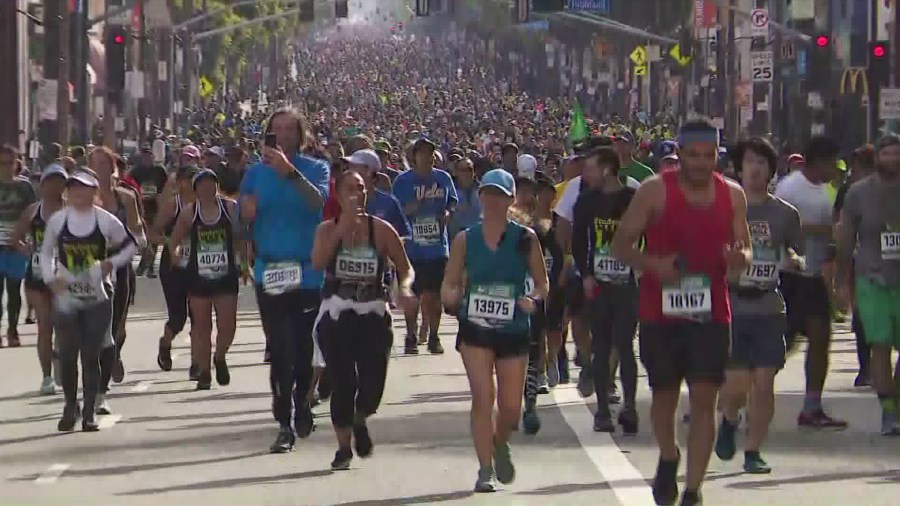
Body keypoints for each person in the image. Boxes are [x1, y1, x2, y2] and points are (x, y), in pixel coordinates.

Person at [611, 120, 751, 506]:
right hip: (660, 312)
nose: (702, 164)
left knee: (705, 400)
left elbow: (745, 248)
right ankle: (669, 456)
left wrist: (740, 258)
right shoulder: (655, 191)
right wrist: (654, 265)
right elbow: (620, 245)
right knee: (664, 396)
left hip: (711, 313)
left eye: (710, 156)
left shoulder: (733, 195)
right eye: (693, 155)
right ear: (680, 153)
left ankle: (693, 490)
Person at [441, 169, 549, 493]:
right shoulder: (465, 238)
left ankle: (500, 443)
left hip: (514, 327)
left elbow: (543, 284)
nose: (492, 199)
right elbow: (449, 282)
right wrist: (451, 295)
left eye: (500, 194)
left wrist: (532, 299)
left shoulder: (525, 238)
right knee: (482, 397)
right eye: (487, 193)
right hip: (475, 327)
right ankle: (485, 468)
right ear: (480, 196)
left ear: (510, 199)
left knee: (511, 407)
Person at [310, 170, 415, 470]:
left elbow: (405, 268)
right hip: (337, 312)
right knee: (343, 382)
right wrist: (341, 230)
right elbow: (318, 263)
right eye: (351, 188)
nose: (358, 193)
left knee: (372, 385)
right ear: (338, 195)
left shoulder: (381, 230)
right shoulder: (326, 230)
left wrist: (404, 289)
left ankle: (361, 416)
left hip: (372, 312)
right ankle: (343, 447)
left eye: (362, 188)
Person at [239, 108, 330, 453]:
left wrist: (289, 173)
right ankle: (283, 421)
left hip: (306, 272)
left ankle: (303, 401)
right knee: (279, 348)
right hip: (270, 270)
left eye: (289, 130)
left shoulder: (315, 168)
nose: (282, 135)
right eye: (276, 129)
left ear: (300, 135)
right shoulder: (254, 175)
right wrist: (245, 219)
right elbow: (242, 225)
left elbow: (317, 202)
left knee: (304, 348)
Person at [714, 138, 804, 473]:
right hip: (732, 304)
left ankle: (753, 451)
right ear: (738, 169)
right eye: (749, 162)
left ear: (772, 169)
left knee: (765, 381)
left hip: (769, 305)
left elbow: (794, 251)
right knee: (737, 383)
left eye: (762, 163)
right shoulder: (724, 209)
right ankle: (729, 418)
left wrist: (794, 260)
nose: (755, 169)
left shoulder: (785, 214)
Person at [40, 170, 137, 431]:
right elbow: (46, 251)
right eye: (74, 189)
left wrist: (111, 263)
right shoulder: (59, 220)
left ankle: (90, 411)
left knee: (91, 355)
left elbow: (131, 245)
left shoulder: (105, 221)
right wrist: (51, 278)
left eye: (85, 189)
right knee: (69, 355)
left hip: (97, 297)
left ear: (95, 193)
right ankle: (70, 406)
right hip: (66, 298)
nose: (79, 194)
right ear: (67, 193)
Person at [775, 136, 848, 428]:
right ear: (819, 161)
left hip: (814, 275)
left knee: (821, 339)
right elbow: (778, 226)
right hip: (788, 275)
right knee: (780, 346)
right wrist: (825, 229)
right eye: (832, 162)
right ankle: (736, 396)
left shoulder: (826, 191)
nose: (835, 168)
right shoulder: (790, 187)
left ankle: (812, 406)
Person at [835, 134, 900, 436]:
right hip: (872, 277)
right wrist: (840, 281)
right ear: (877, 159)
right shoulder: (858, 193)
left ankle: (896, 402)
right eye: (886, 154)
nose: (892, 159)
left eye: (896, 154)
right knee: (880, 346)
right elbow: (847, 237)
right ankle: (888, 410)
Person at [573, 147, 639, 434]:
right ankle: (602, 410)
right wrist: (586, 275)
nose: (586, 174)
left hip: (628, 283)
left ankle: (630, 407)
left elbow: (646, 237)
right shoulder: (586, 202)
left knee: (625, 344)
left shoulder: (632, 200)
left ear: (608, 169)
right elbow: (578, 242)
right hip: (598, 283)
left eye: (591, 168)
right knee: (600, 345)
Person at [168, 169, 245, 390]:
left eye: (211, 184)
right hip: (198, 276)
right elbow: (174, 240)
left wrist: (245, 263)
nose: (206, 189)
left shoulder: (229, 208)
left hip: (225, 275)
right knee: (202, 327)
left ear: (216, 186)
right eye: (201, 185)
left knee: (227, 324)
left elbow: (240, 237)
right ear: (195, 189)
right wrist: (174, 256)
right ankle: (204, 372)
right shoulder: (190, 213)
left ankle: (219, 357)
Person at [392, 138, 458, 354]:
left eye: (430, 153)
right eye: (422, 153)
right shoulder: (403, 181)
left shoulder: (443, 178)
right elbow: (397, 209)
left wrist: (447, 213)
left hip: (438, 246)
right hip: (412, 248)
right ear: (414, 156)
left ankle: (434, 336)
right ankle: (410, 335)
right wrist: (414, 206)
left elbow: (452, 202)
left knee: (434, 295)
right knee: (413, 295)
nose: (427, 158)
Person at [92, 147, 145, 414]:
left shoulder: (125, 198)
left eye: (103, 164)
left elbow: (138, 231)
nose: (99, 169)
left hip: (120, 269)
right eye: (94, 164)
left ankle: (101, 393)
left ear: (113, 167)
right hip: (90, 271)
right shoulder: (81, 199)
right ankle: (92, 384)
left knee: (113, 331)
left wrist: (135, 241)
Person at [12, 164, 68, 393]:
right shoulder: (33, 211)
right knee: (44, 326)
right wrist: (26, 249)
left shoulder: (71, 210)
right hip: (37, 275)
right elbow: (16, 238)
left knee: (63, 327)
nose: (55, 186)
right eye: (51, 181)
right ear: (43, 184)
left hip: (64, 275)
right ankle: (46, 377)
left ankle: (60, 361)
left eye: (60, 181)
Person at [150, 165, 198, 374]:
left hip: (198, 265)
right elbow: (152, 233)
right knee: (178, 318)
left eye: (195, 178)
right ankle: (165, 343)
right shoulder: (173, 206)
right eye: (188, 179)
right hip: (174, 266)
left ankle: (197, 364)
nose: (192, 183)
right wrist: (171, 241)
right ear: (179, 183)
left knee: (200, 315)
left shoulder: (205, 205)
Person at [0, 144, 38, 348]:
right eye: (2, 163)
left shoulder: (24, 187)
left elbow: (34, 214)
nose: (6, 167)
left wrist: (28, 242)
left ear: (17, 164)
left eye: (10, 163)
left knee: (14, 291)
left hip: (17, 246)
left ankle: (12, 330)